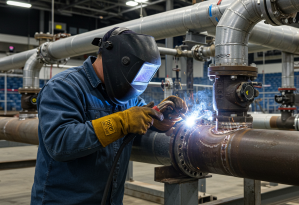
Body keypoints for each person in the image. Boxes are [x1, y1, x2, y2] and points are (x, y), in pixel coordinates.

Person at [31, 27, 187, 204]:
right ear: (116, 61)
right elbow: (60, 142)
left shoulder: (128, 98)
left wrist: (161, 119)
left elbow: (142, 116)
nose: (136, 81)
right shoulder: (64, 87)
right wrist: (122, 122)